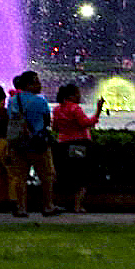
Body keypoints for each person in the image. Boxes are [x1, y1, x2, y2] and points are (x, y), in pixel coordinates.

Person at [5, 71, 59, 217]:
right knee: (46, 176)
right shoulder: (40, 101)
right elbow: (47, 120)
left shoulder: (12, 101)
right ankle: (47, 206)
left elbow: (11, 119)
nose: (40, 84)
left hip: (18, 143)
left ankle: (21, 207)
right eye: (36, 82)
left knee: (20, 177)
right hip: (38, 143)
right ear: (28, 85)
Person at [52, 83, 104, 214]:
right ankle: (77, 206)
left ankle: (61, 203)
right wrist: (98, 110)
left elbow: (55, 128)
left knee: (66, 174)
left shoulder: (57, 109)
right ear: (71, 95)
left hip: (63, 144)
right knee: (81, 174)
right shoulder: (75, 109)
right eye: (77, 93)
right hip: (79, 144)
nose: (80, 96)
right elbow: (86, 123)